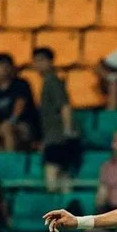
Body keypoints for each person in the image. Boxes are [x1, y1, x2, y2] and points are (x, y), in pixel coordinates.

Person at [33, 47, 80, 193]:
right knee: (63, 176)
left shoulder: (52, 81)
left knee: (52, 176)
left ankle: (57, 208)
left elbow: (65, 106)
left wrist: (67, 131)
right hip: (54, 136)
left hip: (57, 137)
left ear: (50, 62)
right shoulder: (49, 82)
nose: (38, 64)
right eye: (36, 61)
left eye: (41, 60)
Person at [0, 53, 40, 153]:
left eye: (5, 66)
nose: (3, 69)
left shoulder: (21, 84)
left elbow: (20, 105)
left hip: (25, 126)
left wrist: (12, 121)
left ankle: (11, 159)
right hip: (4, 126)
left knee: (7, 128)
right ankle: (1, 160)